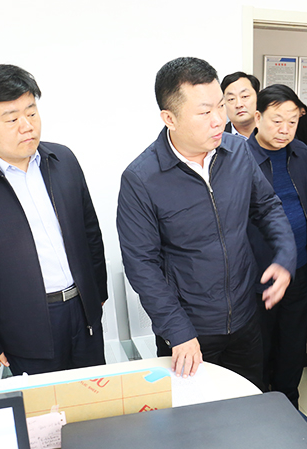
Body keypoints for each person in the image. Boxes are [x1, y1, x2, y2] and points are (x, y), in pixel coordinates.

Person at [116, 57, 295, 390]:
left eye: (220, 106)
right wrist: (178, 331)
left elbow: (267, 207)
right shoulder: (141, 179)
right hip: (190, 330)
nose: (219, 120)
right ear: (169, 118)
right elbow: (141, 264)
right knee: (195, 414)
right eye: (204, 112)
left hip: (245, 317)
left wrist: (285, 256)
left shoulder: (238, 151)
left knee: (246, 402)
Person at [0, 62, 107, 376]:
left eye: (32, 112)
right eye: (12, 119)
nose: (27, 126)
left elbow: (89, 232)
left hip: (83, 314)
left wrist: (98, 296)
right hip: (26, 327)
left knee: (96, 399)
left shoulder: (63, 160)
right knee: (43, 407)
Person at [245, 84, 307, 409]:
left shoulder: (301, 152)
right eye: (277, 120)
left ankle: (289, 402)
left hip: (299, 266)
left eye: (292, 121)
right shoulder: (239, 158)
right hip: (259, 271)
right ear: (257, 118)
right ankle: (262, 407)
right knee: (259, 343)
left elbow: (304, 200)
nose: (285, 129)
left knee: (292, 340)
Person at [221, 71, 260, 139]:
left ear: (258, 97)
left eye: (244, 96)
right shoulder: (217, 139)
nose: (239, 105)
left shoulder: (273, 133)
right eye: (231, 99)